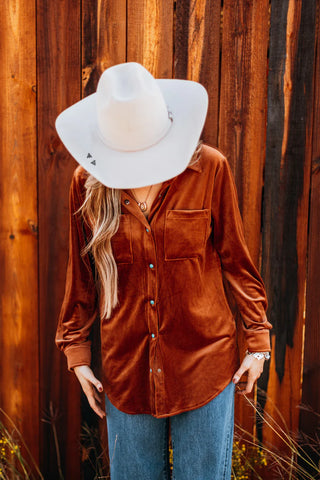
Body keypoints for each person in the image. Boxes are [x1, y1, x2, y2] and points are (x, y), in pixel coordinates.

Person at [55, 62, 272, 480]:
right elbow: (81, 274)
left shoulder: (210, 168)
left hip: (204, 365)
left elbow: (236, 261)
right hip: (128, 372)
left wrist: (258, 341)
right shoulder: (87, 183)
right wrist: (77, 353)